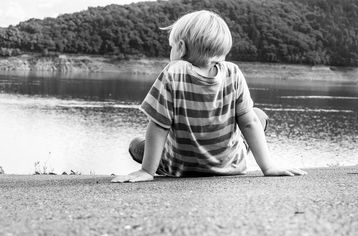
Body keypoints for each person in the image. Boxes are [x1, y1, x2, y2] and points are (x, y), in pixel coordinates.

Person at [112, 10, 306, 183]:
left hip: (181, 167)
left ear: (180, 47)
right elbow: (249, 123)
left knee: (136, 144)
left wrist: (147, 171)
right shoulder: (233, 72)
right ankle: (240, 157)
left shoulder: (173, 72)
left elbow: (158, 126)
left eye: (171, 46)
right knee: (257, 116)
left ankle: (149, 162)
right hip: (229, 166)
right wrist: (268, 167)